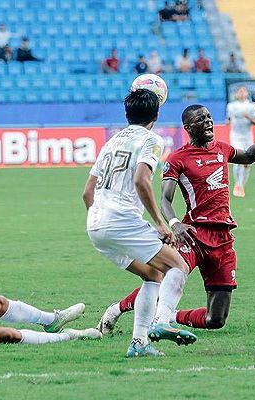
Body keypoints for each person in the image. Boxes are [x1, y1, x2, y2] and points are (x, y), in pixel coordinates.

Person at [96, 106, 255, 334]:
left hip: (222, 239)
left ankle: (169, 316)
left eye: (209, 117)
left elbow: (250, 155)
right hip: (193, 234)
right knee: (162, 280)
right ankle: (117, 310)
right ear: (188, 127)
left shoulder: (222, 149)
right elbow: (165, 198)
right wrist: (175, 224)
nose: (208, 121)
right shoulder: (178, 158)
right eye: (200, 119)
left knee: (216, 319)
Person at [82, 89, 197, 357]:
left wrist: (101, 218)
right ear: (156, 115)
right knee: (178, 266)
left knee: (153, 274)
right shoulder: (151, 140)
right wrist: (160, 223)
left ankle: (139, 343)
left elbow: (87, 192)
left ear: (126, 114)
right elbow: (141, 180)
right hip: (121, 220)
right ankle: (163, 322)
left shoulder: (111, 142)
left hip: (95, 224)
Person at [226, 86, 255, 197]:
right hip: (236, 136)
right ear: (236, 94)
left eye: (243, 91)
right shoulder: (231, 106)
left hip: (247, 136)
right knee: (238, 159)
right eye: (239, 91)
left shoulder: (252, 106)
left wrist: (248, 116)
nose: (241, 93)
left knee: (247, 162)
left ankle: (241, 185)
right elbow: (229, 120)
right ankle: (238, 185)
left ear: (246, 93)